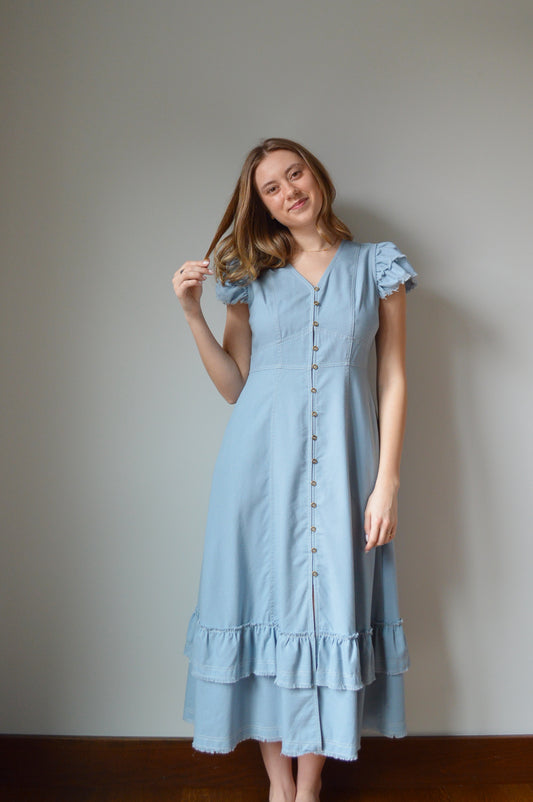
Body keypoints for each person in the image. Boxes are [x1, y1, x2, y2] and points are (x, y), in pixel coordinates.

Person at [172, 137, 418, 802]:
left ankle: (307, 785)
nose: (288, 192)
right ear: (263, 207)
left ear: (316, 174)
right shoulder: (247, 275)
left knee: (325, 615)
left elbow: (391, 377)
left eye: (294, 174)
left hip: (344, 473)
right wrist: (193, 314)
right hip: (254, 476)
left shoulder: (377, 267)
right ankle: (281, 786)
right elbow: (233, 384)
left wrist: (385, 481)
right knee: (264, 614)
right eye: (271, 189)